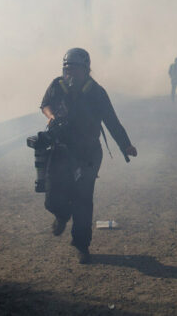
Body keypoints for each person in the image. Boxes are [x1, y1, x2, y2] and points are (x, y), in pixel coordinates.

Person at [40, 48, 137, 264]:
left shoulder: (97, 93)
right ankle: (62, 214)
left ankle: (82, 245)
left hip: (88, 152)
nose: (69, 74)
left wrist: (126, 145)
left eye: (74, 69)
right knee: (52, 197)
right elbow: (44, 104)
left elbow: (112, 122)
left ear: (86, 70)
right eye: (66, 69)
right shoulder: (57, 85)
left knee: (83, 199)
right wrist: (52, 116)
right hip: (60, 149)